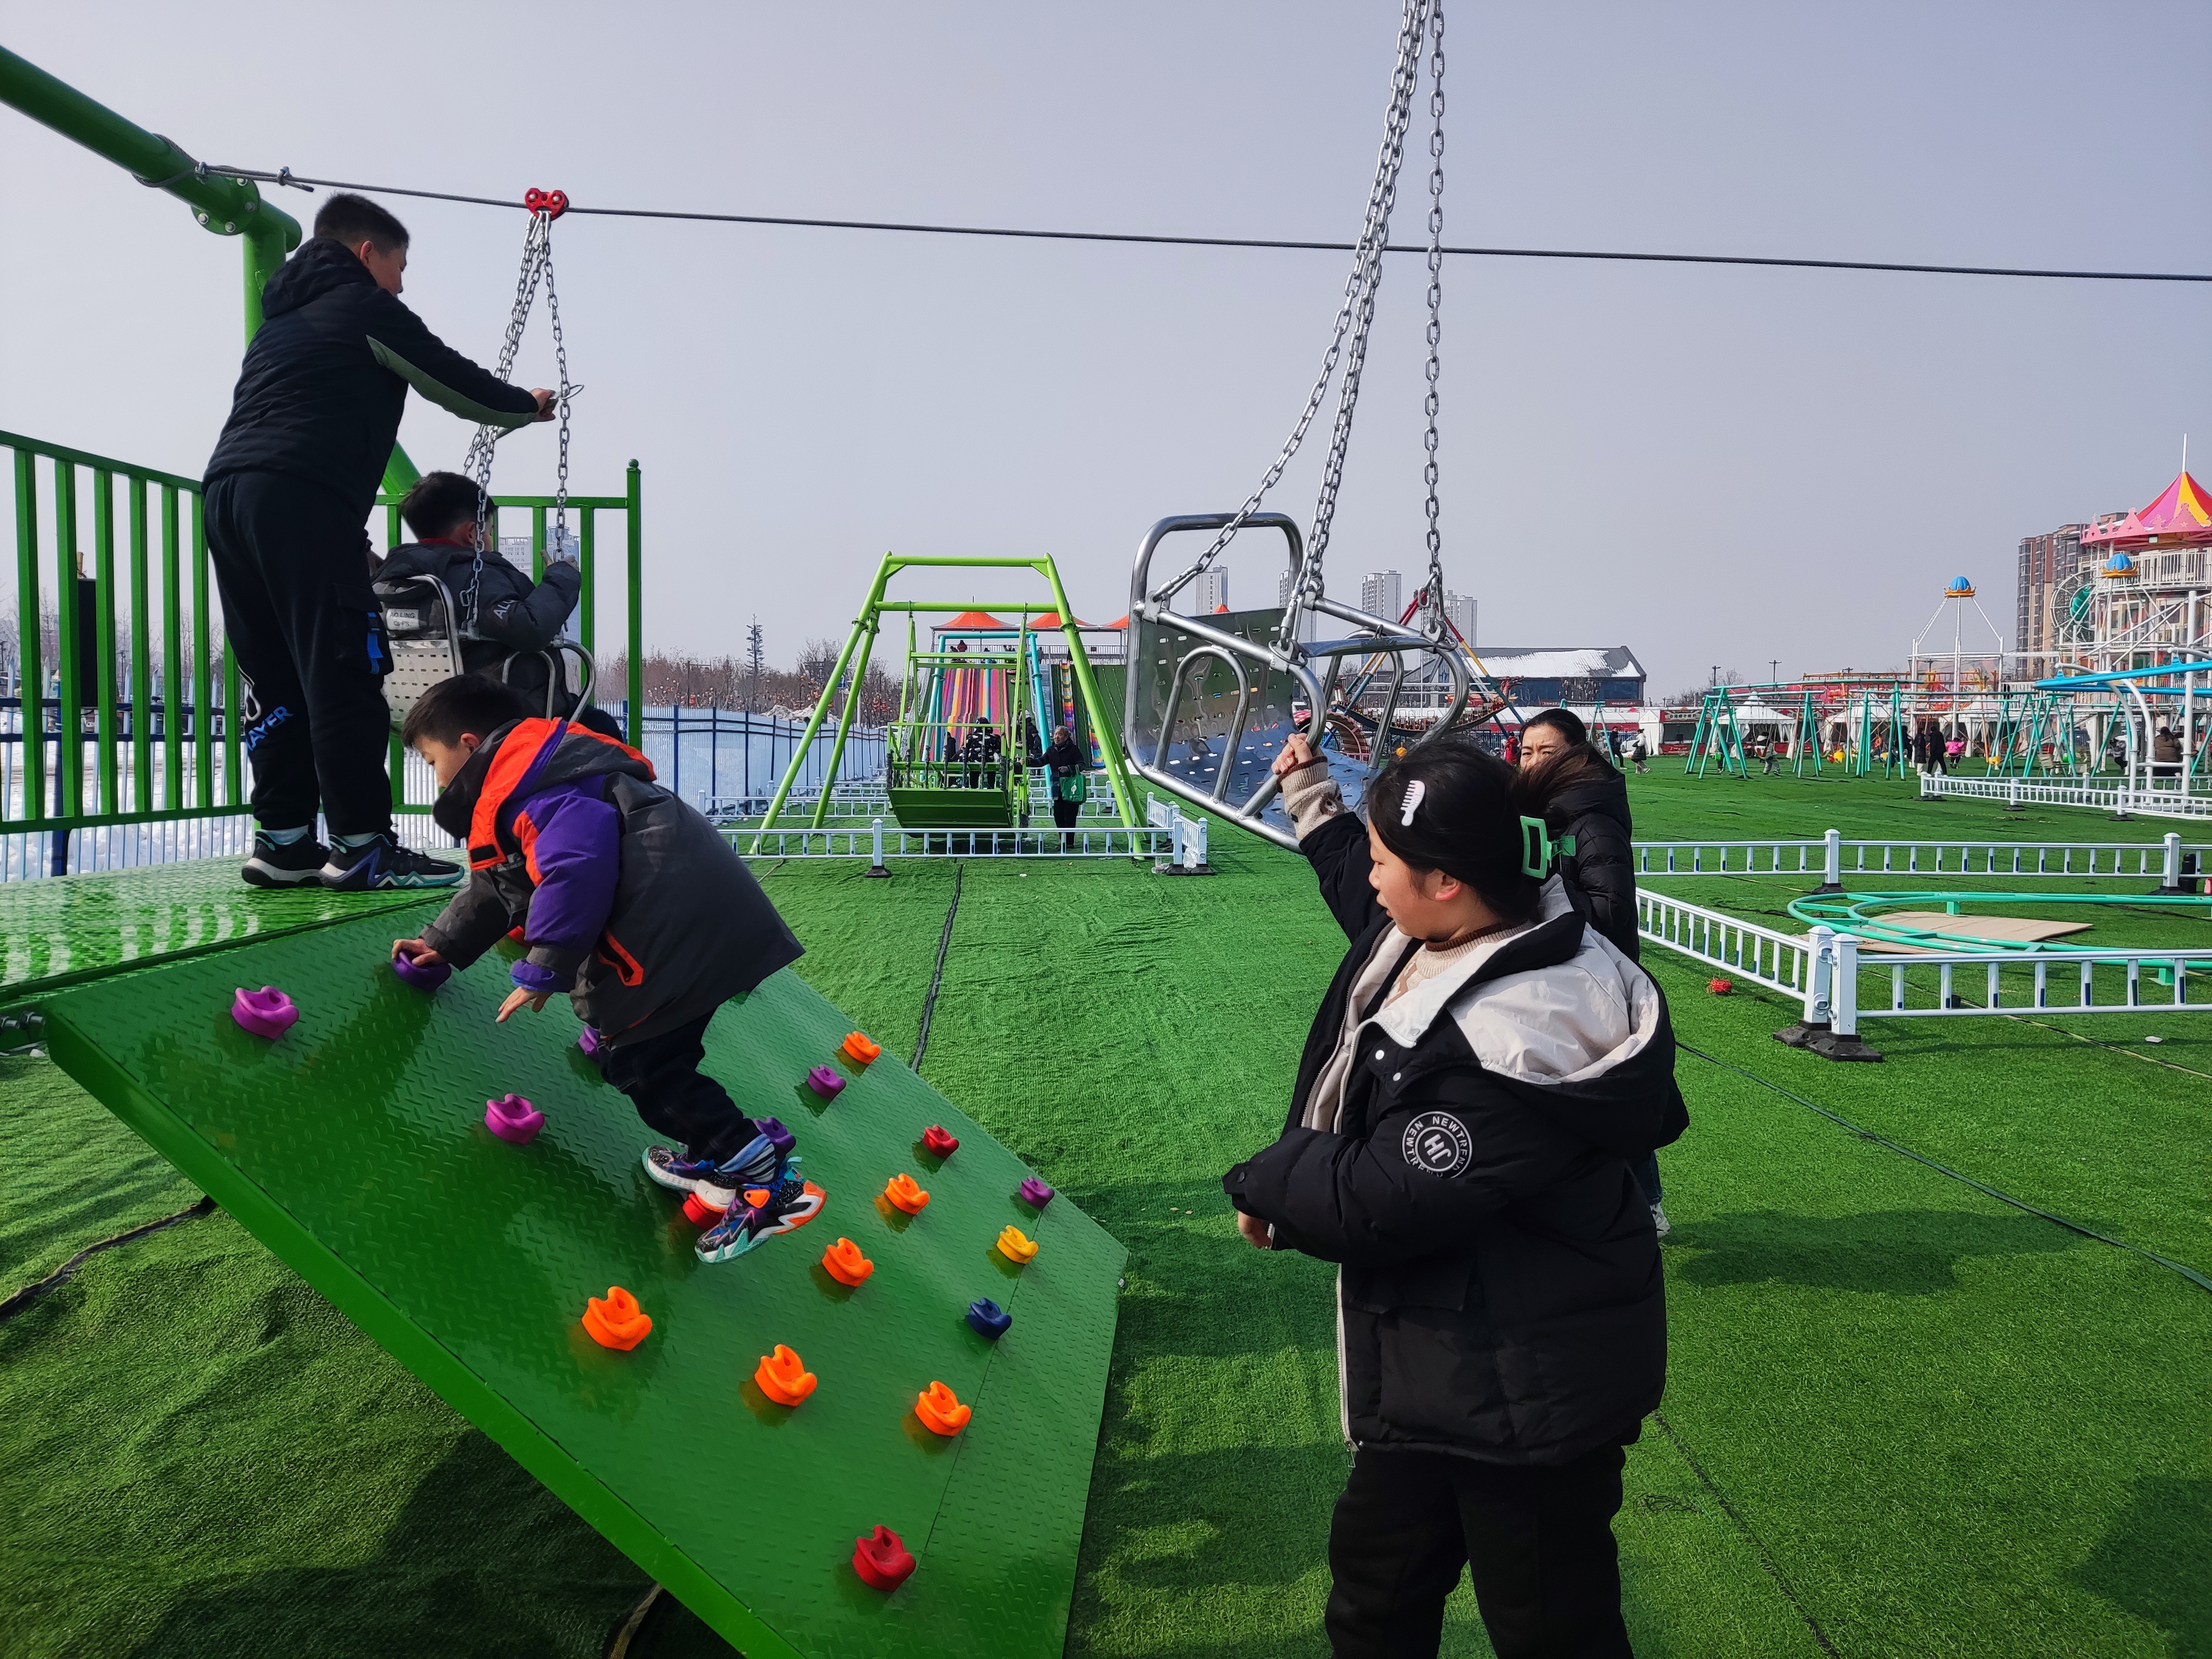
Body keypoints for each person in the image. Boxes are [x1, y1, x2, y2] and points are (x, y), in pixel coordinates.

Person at [1225, 732, 1684, 1659]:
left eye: (1387, 860)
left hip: (1529, 1394)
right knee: (1375, 1597)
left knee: (1552, 1627)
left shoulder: (1519, 1030)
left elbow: (1384, 1195)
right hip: (1442, 1365)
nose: (1374, 881)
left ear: (1444, 882)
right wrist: (1310, 791)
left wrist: (1263, 1182)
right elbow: (1364, 892)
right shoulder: (1462, 917)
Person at [389, 675, 817, 1263]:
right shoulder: (538, 775)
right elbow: (499, 885)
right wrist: (443, 941)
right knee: (657, 1058)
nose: (437, 779)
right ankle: (718, 1154)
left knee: (645, 1067)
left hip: (669, 928)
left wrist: (545, 966)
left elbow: (576, 866)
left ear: (467, 744)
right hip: (692, 919)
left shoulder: (531, 789)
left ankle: (768, 1183)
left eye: (432, 761)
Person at [205, 192, 554, 891]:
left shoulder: (278, 326)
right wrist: (525, 406)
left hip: (226, 495)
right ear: (368, 254)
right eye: (399, 267)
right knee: (344, 667)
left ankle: (284, 840)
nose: (400, 285)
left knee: (271, 673)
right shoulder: (364, 306)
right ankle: (363, 846)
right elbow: (454, 381)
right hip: (303, 496)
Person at [1516, 708, 1666, 1235]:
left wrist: (1546, 896)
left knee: (1610, 1093)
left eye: (1547, 752)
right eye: (1526, 752)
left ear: (1577, 755)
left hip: (1600, 975)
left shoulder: (1591, 818)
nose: (1533, 762)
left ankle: (1646, 1203)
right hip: (1561, 968)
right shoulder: (1545, 812)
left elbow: (1611, 909)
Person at [375, 469, 622, 739]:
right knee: (601, 728)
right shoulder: (473, 574)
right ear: (472, 533)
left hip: (425, 710)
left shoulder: (394, 578)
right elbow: (529, 628)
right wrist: (562, 578)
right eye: (490, 531)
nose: (492, 541)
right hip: (500, 713)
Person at [1042, 724, 1088, 849]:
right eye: (1056, 734)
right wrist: (1028, 761)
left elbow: (1082, 765)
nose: (1057, 737)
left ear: (1066, 737)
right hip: (1057, 787)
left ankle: (1069, 842)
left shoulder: (1074, 750)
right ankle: (1063, 840)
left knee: (1070, 815)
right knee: (1058, 816)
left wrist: (1069, 768)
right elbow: (1041, 761)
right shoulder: (1051, 750)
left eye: (1060, 734)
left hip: (1071, 788)